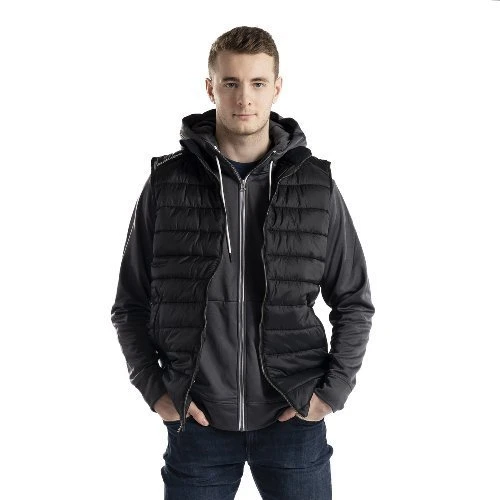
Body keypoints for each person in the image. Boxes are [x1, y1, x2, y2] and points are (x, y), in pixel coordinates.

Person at [110, 25, 375, 500]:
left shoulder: (315, 185)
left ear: (277, 87)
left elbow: (353, 301)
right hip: (198, 424)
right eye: (230, 83)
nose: (244, 98)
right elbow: (130, 304)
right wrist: (156, 391)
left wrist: (329, 394)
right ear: (210, 87)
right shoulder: (166, 183)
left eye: (257, 83)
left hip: (292, 421)